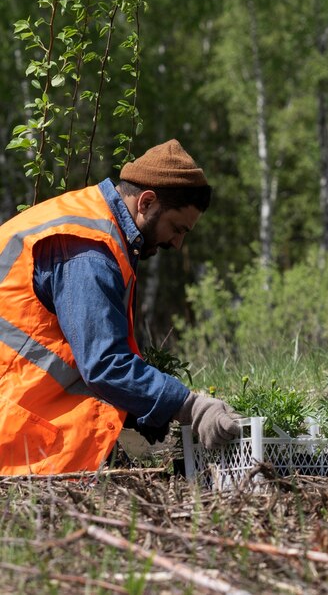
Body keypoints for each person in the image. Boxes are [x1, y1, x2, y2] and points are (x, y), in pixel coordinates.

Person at [0, 139, 242, 475]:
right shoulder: (88, 250)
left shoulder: (97, 227)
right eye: (177, 228)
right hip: (16, 431)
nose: (177, 243)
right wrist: (190, 407)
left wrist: (138, 408)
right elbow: (104, 364)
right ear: (146, 202)